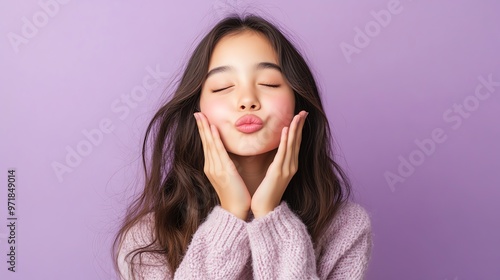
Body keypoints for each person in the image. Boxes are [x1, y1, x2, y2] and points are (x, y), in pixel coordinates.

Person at [113, 13, 372, 280]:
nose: (247, 100)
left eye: (269, 83)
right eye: (223, 87)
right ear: (196, 109)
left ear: (299, 102)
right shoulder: (147, 239)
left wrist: (271, 218)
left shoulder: (345, 229)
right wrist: (230, 215)